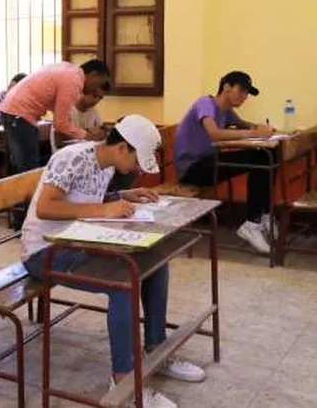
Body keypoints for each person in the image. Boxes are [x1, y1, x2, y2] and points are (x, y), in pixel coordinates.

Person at [21, 115, 205, 408]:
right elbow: (46, 207)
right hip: (44, 252)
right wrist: (105, 209)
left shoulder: (105, 164)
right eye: (136, 161)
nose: (136, 169)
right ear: (122, 148)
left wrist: (123, 195)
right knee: (123, 283)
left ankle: (156, 347)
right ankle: (124, 382)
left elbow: (85, 196)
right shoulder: (71, 157)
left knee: (155, 263)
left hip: (79, 242)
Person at [174, 71, 275, 253]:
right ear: (227, 87)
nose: (244, 97)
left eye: (247, 93)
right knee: (259, 157)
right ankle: (252, 223)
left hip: (208, 163)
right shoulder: (205, 103)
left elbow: (242, 124)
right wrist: (254, 133)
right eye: (241, 91)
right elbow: (214, 133)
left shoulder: (226, 111)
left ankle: (264, 215)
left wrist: (259, 127)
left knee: (268, 154)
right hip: (192, 169)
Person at [0, 60, 111, 172]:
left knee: (24, 164)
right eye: (98, 84)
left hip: (14, 110)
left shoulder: (69, 70)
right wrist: (88, 136)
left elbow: (53, 104)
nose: (96, 89)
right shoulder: (74, 81)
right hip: (19, 113)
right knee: (29, 168)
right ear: (93, 75)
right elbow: (60, 124)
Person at [50, 82, 109, 153]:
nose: (97, 100)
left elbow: (102, 132)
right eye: (94, 96)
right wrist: (89, 135)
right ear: (82, 92)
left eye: (100, 98)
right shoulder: (65, 108)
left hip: (84, 152)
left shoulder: (93, 111)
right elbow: (58, 141)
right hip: (66, 154)